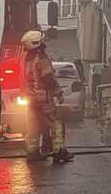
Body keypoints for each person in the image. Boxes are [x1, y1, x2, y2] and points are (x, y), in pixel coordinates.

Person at [21, 30, 73, 163]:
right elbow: (48, 79)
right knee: (56, 122)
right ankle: (59, 151)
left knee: (34, 126)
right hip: (44, 99)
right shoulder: (42, 59)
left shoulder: (26, 60)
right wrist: (59, 93)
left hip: (31, 100)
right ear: (37, 43)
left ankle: (33, 152)